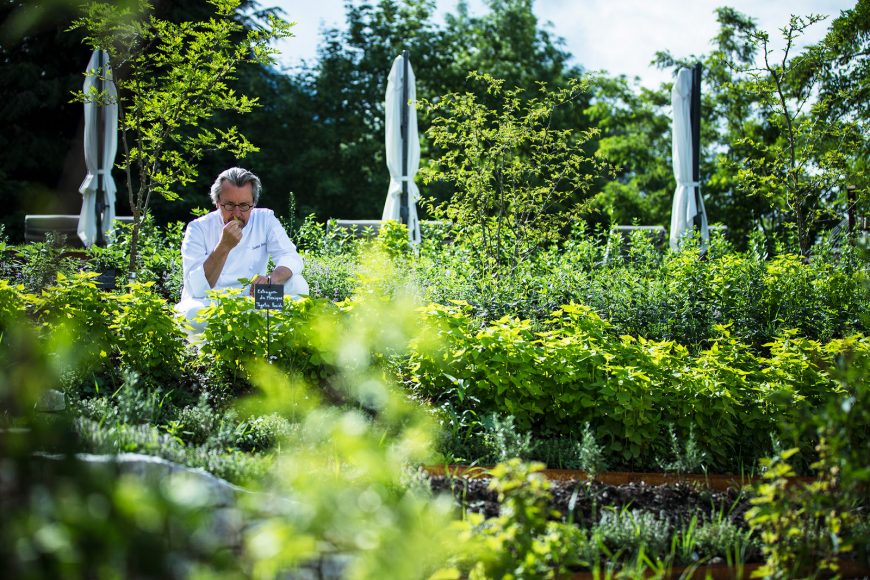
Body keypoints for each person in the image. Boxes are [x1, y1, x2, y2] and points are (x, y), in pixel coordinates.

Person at [174, 167, 308, 332]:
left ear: (253, 204)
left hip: (253, 300)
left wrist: (271, 279)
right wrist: (224, 246)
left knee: (298, 284)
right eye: (229, 205)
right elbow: (198, 288)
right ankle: (252, 328)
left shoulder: (264, 219)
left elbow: (291, 258)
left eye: (244, 205)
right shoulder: (198, 228)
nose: (237, 213)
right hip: (211, 304)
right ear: (217, 202)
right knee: (191, 316)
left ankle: (266, 337)